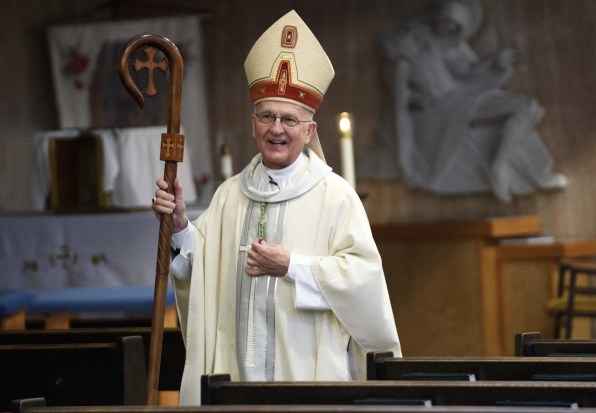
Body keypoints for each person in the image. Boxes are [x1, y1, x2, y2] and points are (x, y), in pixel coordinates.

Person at [152, 10, 401, 405]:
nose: (276, 129)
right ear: (253, 124)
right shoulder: (230, 195)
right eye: (266, 116)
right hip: (233, 377)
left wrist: (292, 267)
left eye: (289, 118)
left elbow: (364, 282)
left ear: (309, 130)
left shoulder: (334, 196)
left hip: (308, 378)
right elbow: (204, 274)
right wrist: (181, 225)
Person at [374, 0, 566, 202]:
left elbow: (469, 71)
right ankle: (501, 167)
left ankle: (501, 164)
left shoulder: (441, 46)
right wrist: (405, 163)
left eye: (456, 25)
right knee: (522, 107)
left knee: (527, 106)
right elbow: (400, 110)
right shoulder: (402, 67)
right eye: (447, 22)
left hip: (461, 98)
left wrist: (497, 63)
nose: (450, 29)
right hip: (444, 110)